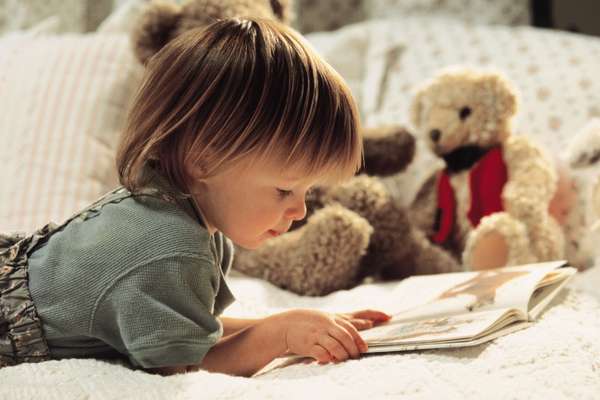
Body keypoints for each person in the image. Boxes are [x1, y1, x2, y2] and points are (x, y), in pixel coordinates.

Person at [0, 18, 391, 377]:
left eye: (308, 191)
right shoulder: (168, 247)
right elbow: (181, 366)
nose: (300, 209)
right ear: (205, 160)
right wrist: (280, 336)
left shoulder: (176, 212)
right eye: (284, 189)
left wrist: (305, 324)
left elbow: (189, 330)